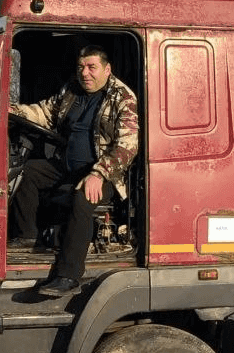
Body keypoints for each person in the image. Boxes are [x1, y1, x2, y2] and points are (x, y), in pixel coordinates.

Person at [8, 44, 139, 296]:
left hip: (107, 174)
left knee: (82, 198)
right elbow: (45, 112)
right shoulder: (71, 91)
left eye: (92, 67)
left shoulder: (123, 98)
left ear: (107, 69)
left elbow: (127, 145)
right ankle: (26, 236)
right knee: (29, 171)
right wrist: (12, 111)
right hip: (67, 166)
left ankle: (68, 275)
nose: (85, 73)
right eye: (81, 67)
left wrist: (99, 174)